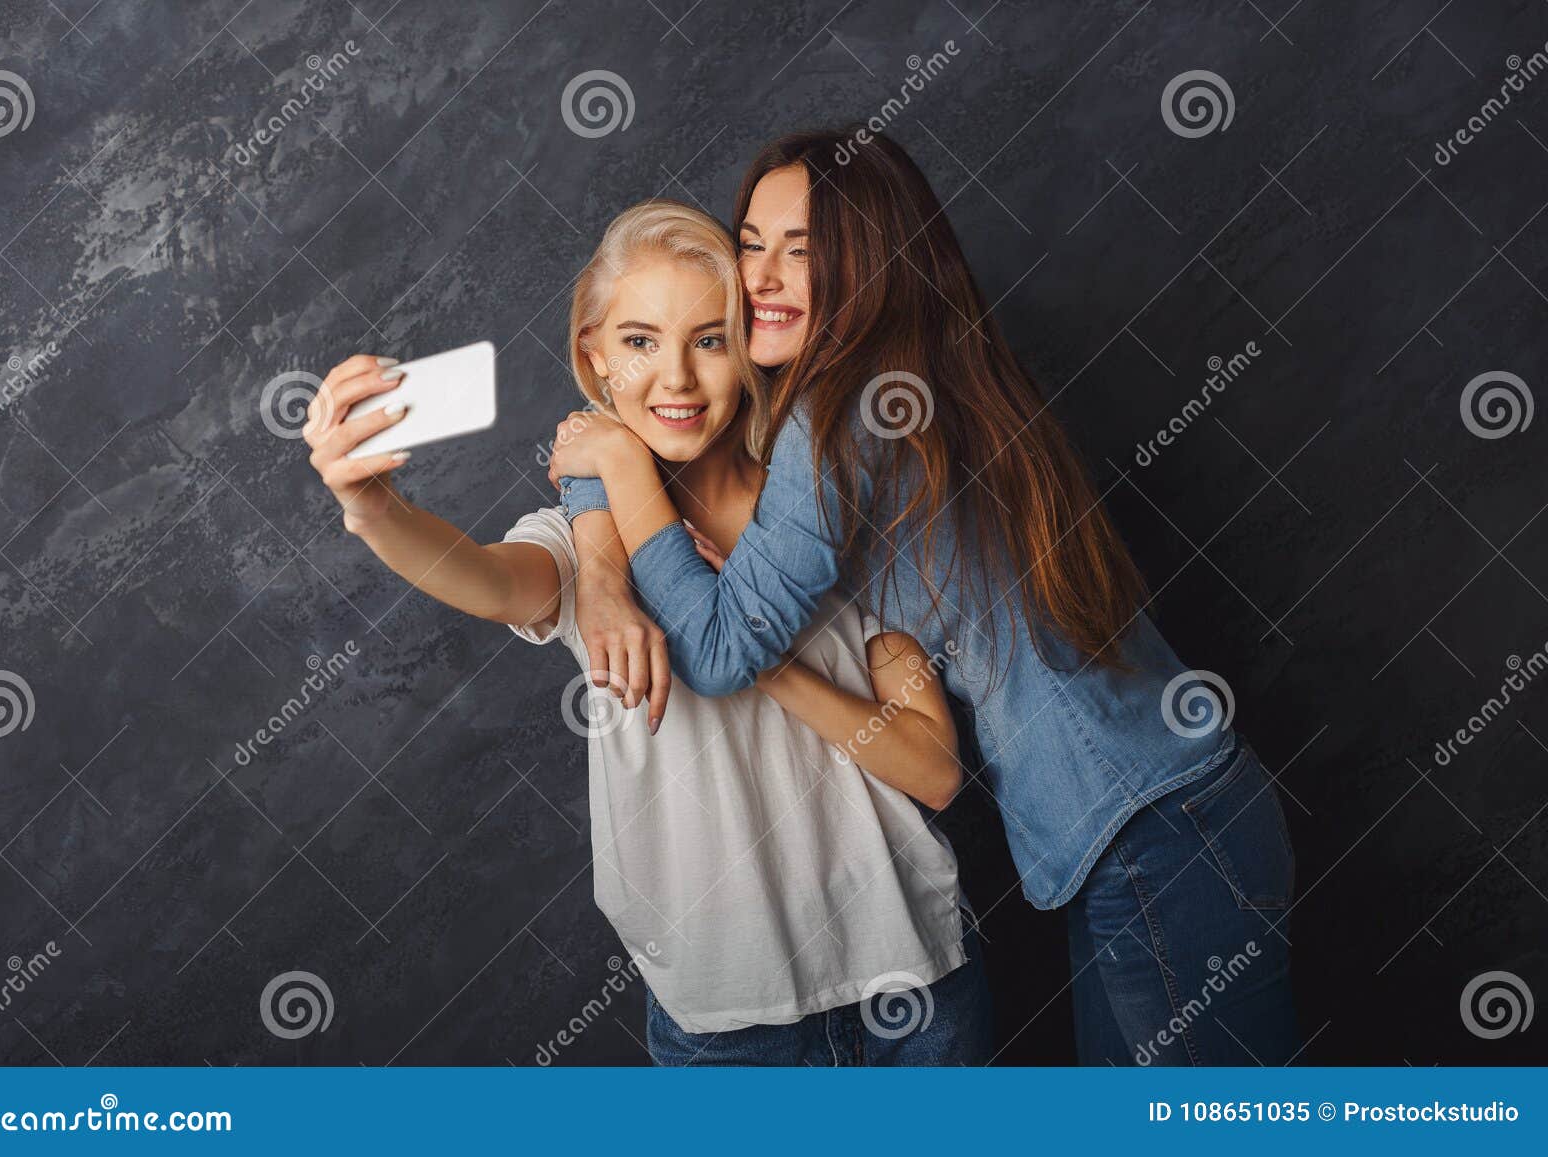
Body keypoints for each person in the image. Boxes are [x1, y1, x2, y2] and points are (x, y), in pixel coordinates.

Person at [549, 130, 1300, 1066]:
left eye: (806, 248)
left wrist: (615, 464)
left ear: (868, 264)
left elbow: (713, 643)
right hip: (1156, 817)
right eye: (751, 242)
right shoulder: (879, 387)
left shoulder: (835, 423)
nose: (766, 277)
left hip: (1152, 829)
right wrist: (599, 535)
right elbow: (627, 419)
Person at [303, 199, 993, 1065]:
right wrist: (373, 508)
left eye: (709, 339)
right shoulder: (589, 546)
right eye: (639, 342)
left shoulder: (822, 504)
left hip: (910, 984)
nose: (676, 378)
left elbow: (934, 771)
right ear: (593, 356)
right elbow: (485, 582)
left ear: (749, 347)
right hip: (728, 1029)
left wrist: (753, 657)